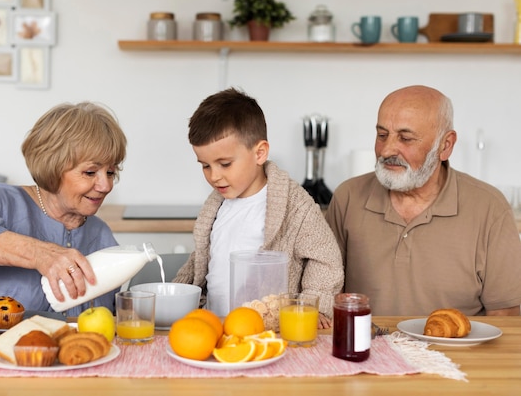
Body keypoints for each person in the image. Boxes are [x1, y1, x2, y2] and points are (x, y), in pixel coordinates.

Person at [325, 85, 521, 316]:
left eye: (405, 138)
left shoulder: (489, 208)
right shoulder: (348, 197)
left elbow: (506, 316)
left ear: (445, 145)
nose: (387, 150)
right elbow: (323, 294)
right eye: (382, 135)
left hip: (455, 352)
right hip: (366, 350)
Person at [0, 101, 128, 316]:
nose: (106, 186)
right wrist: (39, 254)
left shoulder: (102, 236)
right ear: (52, 166)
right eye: (91, 172)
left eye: (110, 173)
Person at [173, 87, 344, 328]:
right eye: (205, 166)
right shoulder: (216, 206)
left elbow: (325, 258)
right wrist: (176, 293)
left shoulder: (295, 206)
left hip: (269, 328)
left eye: (224, 164)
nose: (214, 176)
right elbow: (202, 258)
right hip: (215, 325)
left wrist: (311, 308)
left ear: (260, 153)